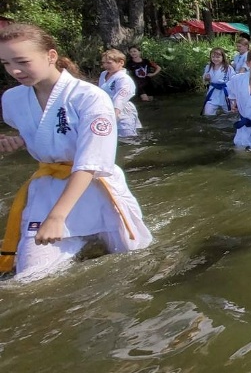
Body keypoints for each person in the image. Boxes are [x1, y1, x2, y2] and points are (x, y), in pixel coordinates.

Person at [0, 23, 153, 279]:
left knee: (135, 261)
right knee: (30, 278)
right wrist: (18, 141)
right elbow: (44, 132)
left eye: (23, 62)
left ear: (51, 56)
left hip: (97, 188)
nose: (14, 70)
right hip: (48, 189)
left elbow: (91, 161)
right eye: (5, 63)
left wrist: (57, 217)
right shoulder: (12, 99)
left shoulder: (89, 97)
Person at [98, 49, 142, 137]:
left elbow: (120, 99)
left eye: (109, 63)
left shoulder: (123, 78)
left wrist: (114, 116)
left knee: (127, 138)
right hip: (107, 109)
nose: (105, 65)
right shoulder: (104, 74)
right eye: (104, 63)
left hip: (122, 111)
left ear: (121, 62)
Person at [202, 47, 235, 116]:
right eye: (213, 57)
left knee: (231, 113)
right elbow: (205, 79)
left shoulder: (228, 67)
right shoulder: (208, 67)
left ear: (223, 57)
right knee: (208, 113)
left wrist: (234, 95)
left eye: (218, 57)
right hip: (213, 92)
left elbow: (234, 80)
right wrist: (206, 78)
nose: (215, 59)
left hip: (226, 93)